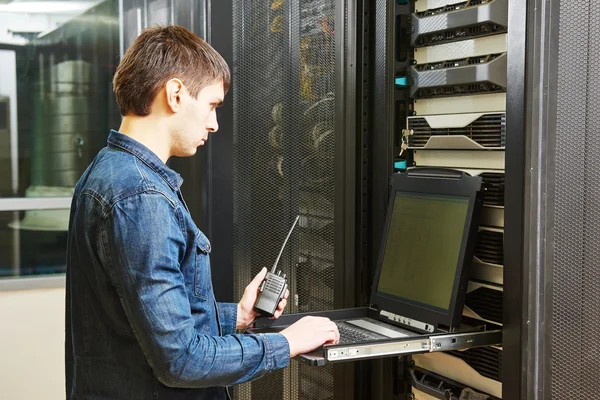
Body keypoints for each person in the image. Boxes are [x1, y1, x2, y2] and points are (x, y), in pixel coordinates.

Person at [65, 25, 340, 399]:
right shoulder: (140, 196)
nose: (213, 123)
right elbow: (182, 360)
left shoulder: (108, 172)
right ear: (176, 94)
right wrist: (288, 343)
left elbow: (138, 324)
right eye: (211, 105)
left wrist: (237, 317)